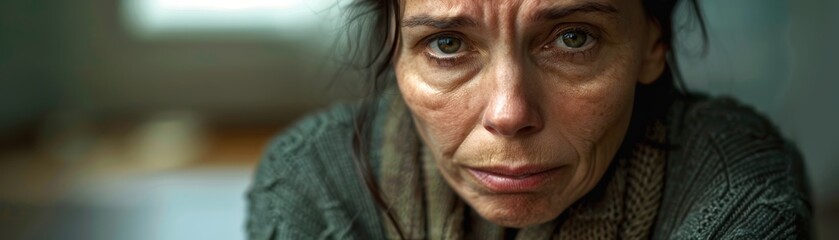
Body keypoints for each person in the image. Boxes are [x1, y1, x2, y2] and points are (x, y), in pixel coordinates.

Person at [246, 0, 812, 239]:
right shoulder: (314, 183)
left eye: (573, 38)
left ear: (652, 42)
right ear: (396, 54)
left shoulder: (733, 183)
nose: (509, 113)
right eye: (447, 43)